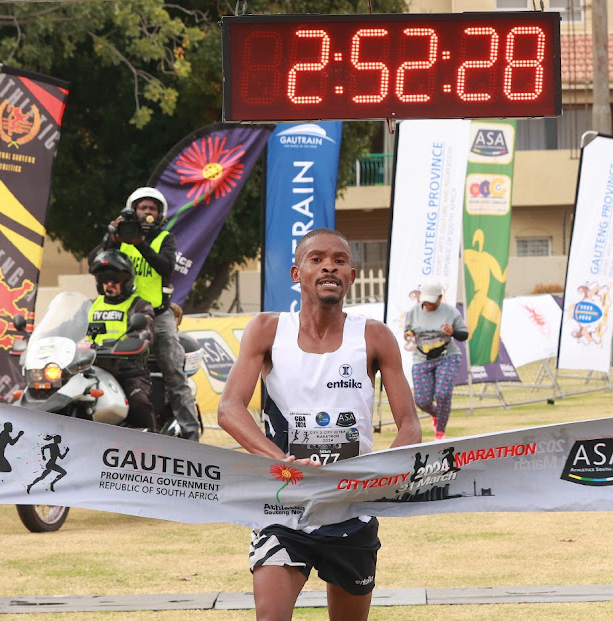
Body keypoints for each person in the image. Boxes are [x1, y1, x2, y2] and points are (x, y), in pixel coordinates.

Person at [217, 228, 421, 621]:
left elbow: (410, 427)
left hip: (351, 508)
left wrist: (376, 479)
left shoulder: (374, 336)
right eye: (317, 259)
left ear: (351, 277)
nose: (329, 265)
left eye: (340, 260)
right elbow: (229, 409)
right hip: (284, 504)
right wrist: (283, 463)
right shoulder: (268, 329)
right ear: (297, 273)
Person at [89, 187, 200, 440]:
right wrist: (111, 238)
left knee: (173, 370)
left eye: (152, 208)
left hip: (158, 316)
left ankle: (192, 435)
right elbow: (93, 262)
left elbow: (166, 268)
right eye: (142, 208)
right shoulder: (120, 239)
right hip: (123, 312)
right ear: (133, 211)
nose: (147, 212)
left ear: (159, 214)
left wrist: (140, 244)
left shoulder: (164, 238)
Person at [88, 249, 156, 432]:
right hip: (93, 370)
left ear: (126, 280)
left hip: (128, 370)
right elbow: (70, 326)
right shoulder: (91, 305)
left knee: (138, 401)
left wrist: (135, 338)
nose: (108, 284)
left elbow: (145, 330)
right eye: (103, 280)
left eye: (114, 279)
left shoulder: (139, 305)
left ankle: (155, 446)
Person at [404, 278, 468, 441]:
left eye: (433, 301)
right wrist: (409, 335)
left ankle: (440, 432)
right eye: (426, 301)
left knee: (443, 393)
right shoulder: (413, 313)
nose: (429, 304)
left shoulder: (450, 312)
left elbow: (464, 335)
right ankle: (436, 414)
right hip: (422, 358)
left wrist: (452, 331)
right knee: (422, 401)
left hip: (447, 356)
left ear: (440, 297)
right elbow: (408, 332)